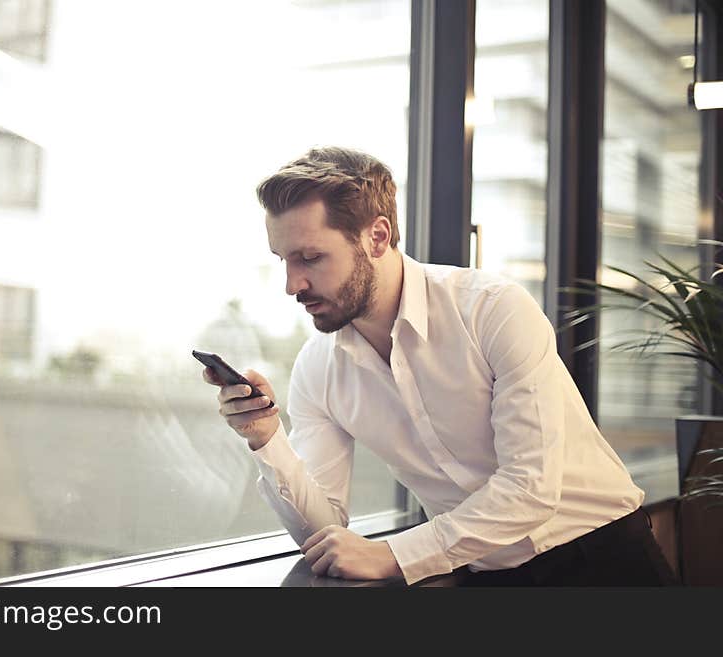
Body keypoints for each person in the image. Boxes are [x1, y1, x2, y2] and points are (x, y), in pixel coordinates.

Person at [201, 146, 679, 586]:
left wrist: (395, 554)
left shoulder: (493, 309)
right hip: (482, 577)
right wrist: (266, 440)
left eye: (310, 258)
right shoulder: (317, 370)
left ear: (377, 236)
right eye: (283, 259)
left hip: (604, 558)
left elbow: (530, 488)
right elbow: (325, 535)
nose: (291, 284)